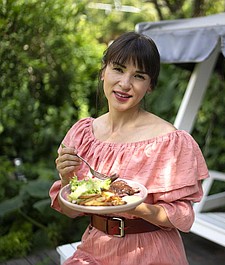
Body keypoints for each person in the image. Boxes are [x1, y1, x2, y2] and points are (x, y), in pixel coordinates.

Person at [49, 31, 209, 265]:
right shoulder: (82, 133)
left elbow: (182, 216)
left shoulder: (170, 141)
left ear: (150, 86)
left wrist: (135, 206)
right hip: (95, 248)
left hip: (150, 252)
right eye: (119, 69)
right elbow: (72, 210)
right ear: (104, 71)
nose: (125, 84)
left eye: (139, 76)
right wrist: (66, 179)